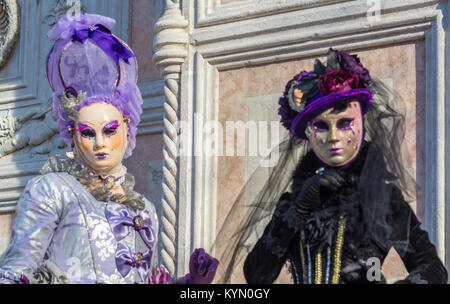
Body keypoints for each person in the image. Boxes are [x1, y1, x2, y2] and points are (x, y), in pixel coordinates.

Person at [0, 13, 217, 284]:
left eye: (110, 130)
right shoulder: (52, 191)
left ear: (127, 128)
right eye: (88, 133)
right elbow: (13, 275)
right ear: (71, 134)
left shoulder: (144, 208)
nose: (101, 143)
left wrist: (190, 284)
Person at [215, 49, 447, 284]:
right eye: (322, 126)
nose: (334, 137)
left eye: (345, 123)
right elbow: (256, 277)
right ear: (308, 132)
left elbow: (431, 268)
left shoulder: (382, 197)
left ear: (361, 125)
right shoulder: (293, 203)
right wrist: (298, 209)